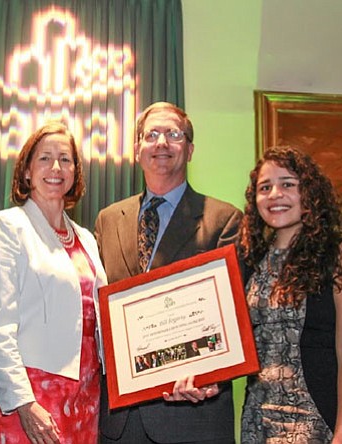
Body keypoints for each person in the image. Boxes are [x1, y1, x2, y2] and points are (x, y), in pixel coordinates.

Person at [94, 102, 242, 444]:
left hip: (192, 416)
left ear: (189, 150)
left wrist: (214, 375)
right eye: (152, 135)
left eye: (174, 134)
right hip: (120, 421)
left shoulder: (224, 220)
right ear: (137, 149)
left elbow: (236, 316)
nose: (162, 143)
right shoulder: (107, 220)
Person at [0, 121, 108, 443]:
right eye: (45, 158)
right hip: (34, 396)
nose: (56, 167)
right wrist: (22, 402)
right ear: (26, 171)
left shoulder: (87, 239)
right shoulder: (6, 226)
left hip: (88, 393)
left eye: (66, 159)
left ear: (75, 172)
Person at [239, 146, 342, 443]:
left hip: (318, 421)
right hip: (257, 420)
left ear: (310, 193)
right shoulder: (252, 261)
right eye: (265, 187)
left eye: (287, 184)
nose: (275, 194)